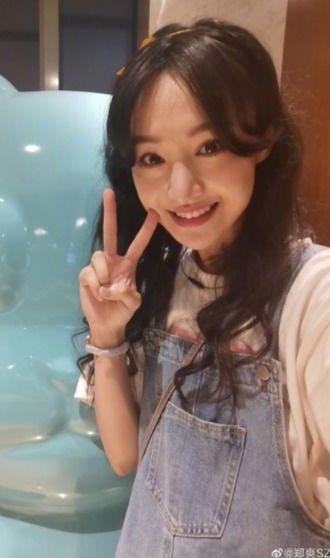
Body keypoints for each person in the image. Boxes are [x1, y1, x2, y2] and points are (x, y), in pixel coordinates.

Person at [73, 17, 330, 556]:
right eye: (152, 158)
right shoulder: (161, 279)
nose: (181, 188)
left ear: (260, 140)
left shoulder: (314, 297)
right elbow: (125, 457)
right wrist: (108, 337)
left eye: (209, 145)